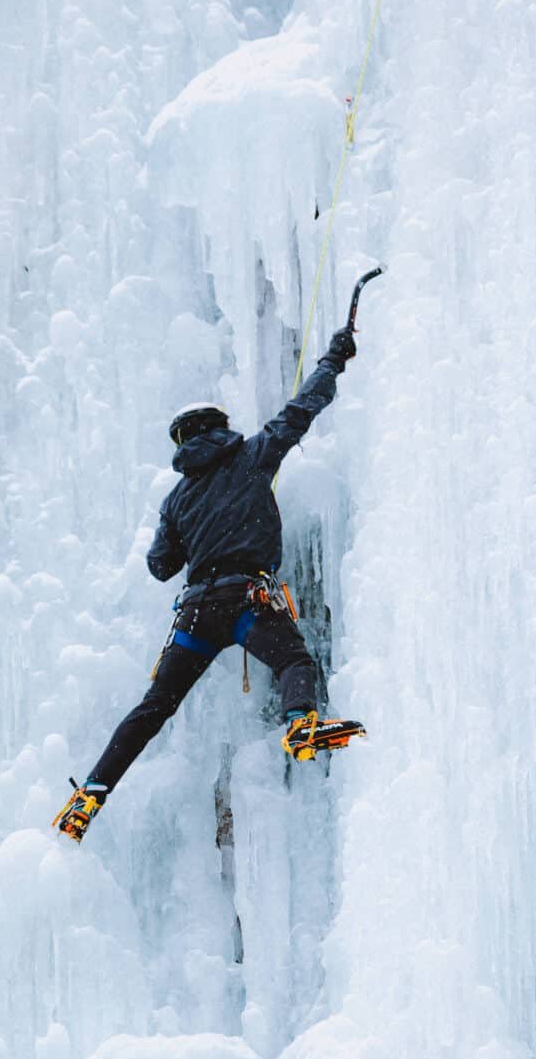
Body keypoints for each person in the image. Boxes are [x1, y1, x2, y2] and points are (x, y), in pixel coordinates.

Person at [54, 324, 365, 841]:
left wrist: (186, 526)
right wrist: (334, 357)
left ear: (182, 444)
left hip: (198, 613)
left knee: (154, 707)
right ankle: (301, 722)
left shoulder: (176, 498)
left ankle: (90, 791)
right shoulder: (253, 454)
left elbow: (160, 566)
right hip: (248, 602)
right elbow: (304, 408)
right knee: (293, 660)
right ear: (220, 428)